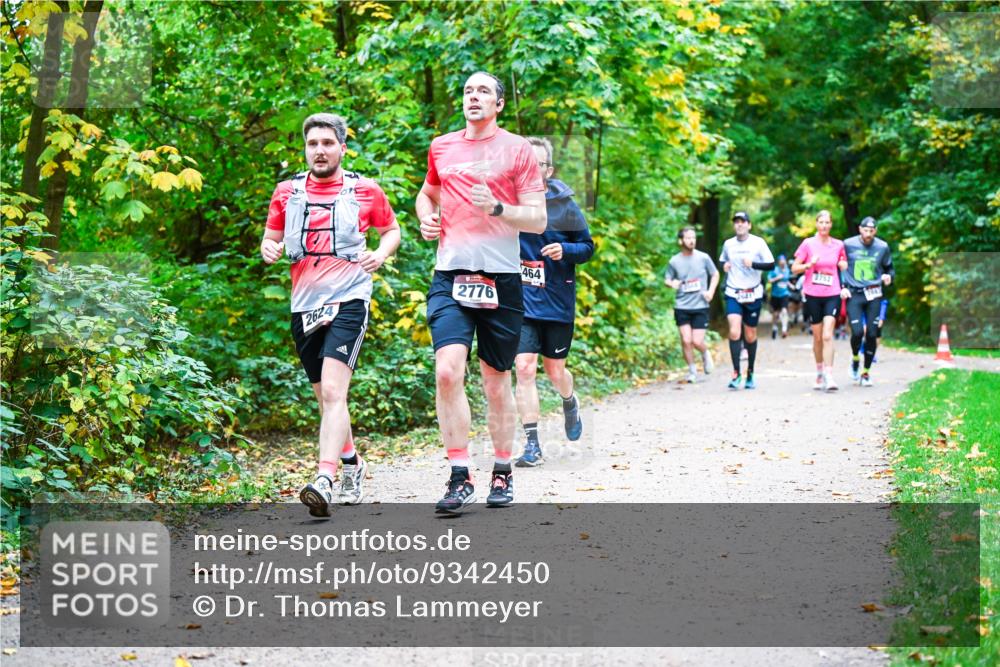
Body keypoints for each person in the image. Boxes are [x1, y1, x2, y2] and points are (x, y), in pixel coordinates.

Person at [415, 71, 546, 512]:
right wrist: (425, 216)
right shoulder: (442, 146)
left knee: (495, 381)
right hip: (451, 274)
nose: (474, 97)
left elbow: (538, 220)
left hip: (501, 279)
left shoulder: (518, 149)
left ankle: (503, 471)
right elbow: (427, 193)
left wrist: (497, 207)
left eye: (483, 91)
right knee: (447, 371)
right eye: (468, 91)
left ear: (499, 104)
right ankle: (458, 475)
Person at [261, 113, 401, 517]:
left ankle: (325, 478)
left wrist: (380, 253)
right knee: (325, 398)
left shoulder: (365, 190)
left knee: (336, 392)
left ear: (342, 147)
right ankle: (353, 463)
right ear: (305, 149)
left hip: (350, 297)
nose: (319, 150)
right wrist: (267, 249)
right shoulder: (286, 192)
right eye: (312, 144)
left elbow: (391, 230)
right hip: (305, 302)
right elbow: (270, 239)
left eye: (327, 143)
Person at [512, 137, 594, 467]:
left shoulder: (564, 205)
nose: (533, 169)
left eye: (539, 164)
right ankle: (532, 444)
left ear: (549, 170)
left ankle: (568, 399)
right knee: (524, 367)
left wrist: (566, 251)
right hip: (521, 300)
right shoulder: (509, 201)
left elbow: (587, 247)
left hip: (557, 299)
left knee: (555, 370)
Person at [791, 210, 848, 392]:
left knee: (827, 335)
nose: (824, 226)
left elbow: (844, 264)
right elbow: (794, 268)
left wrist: (843, 265)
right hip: (813, 294)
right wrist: (809, 265)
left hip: (832, 292)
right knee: (817, 337)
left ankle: (829, 375)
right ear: (816, 224)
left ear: (831, 225)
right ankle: (819, 371)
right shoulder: (808, 244)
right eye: (821, 222)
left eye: (827, 222)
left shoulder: (838, 245)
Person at [719, 211, 775, 390]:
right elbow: (722, 261)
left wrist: (753, 264)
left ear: (749, 225)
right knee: (735, 332)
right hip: (734, 292)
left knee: (750, 334)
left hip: (753, 293)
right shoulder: (728, 244)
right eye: (736, 222)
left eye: (743, 222)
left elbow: (771, 264)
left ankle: (750, 372)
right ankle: (736, 373)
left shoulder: (758, 243)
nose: (739, 225)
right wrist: (724, 266)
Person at [841, 216, 894, 386]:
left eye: (872, 231)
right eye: (865, 230)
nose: (868, 234)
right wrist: (842, 286)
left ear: (876, 231)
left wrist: (888, 277)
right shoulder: (847, 244)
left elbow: (890, 269)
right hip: (854, 294)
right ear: (859, 229)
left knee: (872, 333)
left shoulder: (882, 246)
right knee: (857, 332)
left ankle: (866, 373)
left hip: (874, 293)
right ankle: (855, 357)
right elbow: (837, 265)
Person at [664, 226, 718, 383]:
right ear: (681, 240)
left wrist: (711, 292)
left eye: (693, 237)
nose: (692, 240)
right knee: (686, 340)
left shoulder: (703, 258)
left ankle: (705, 353)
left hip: (700, 305)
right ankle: (692, 371)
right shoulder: (674, 261)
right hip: (682, 306)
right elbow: (667, 279)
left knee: (696, 341)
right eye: (688, 238)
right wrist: (671, 283)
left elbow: (715, 274)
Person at [767, 254, 792, 339]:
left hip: (784, 294)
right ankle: (774, 327)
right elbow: (769, 280)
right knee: (775, 313)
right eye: (781, 261)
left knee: (784, 311)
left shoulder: (787, 270)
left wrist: (790, 285)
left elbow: (786, 280)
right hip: (775, 295)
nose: (782, 263)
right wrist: (777, 278)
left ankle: (784, 329)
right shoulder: (774, 270)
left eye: (784, 261)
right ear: (778, 262)